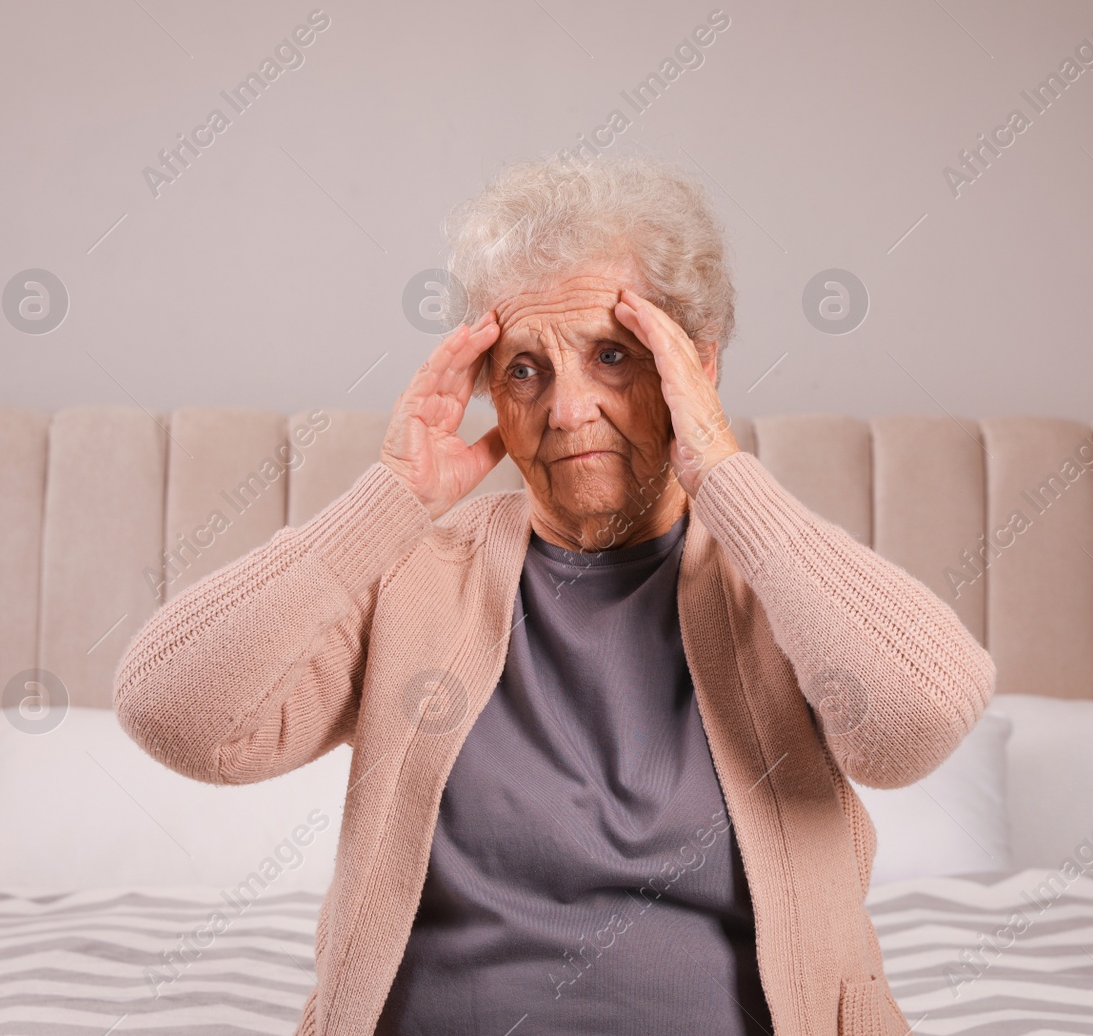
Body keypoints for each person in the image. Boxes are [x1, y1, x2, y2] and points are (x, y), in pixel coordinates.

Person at [114, 153, 996, 1035]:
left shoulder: (781, 584)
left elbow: (918, 722)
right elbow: (174, 713)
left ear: (695, 367)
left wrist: (722, 472)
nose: (568, 409)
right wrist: (390, 499)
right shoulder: (420, 577)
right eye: (525, 369)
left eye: (613, 356)